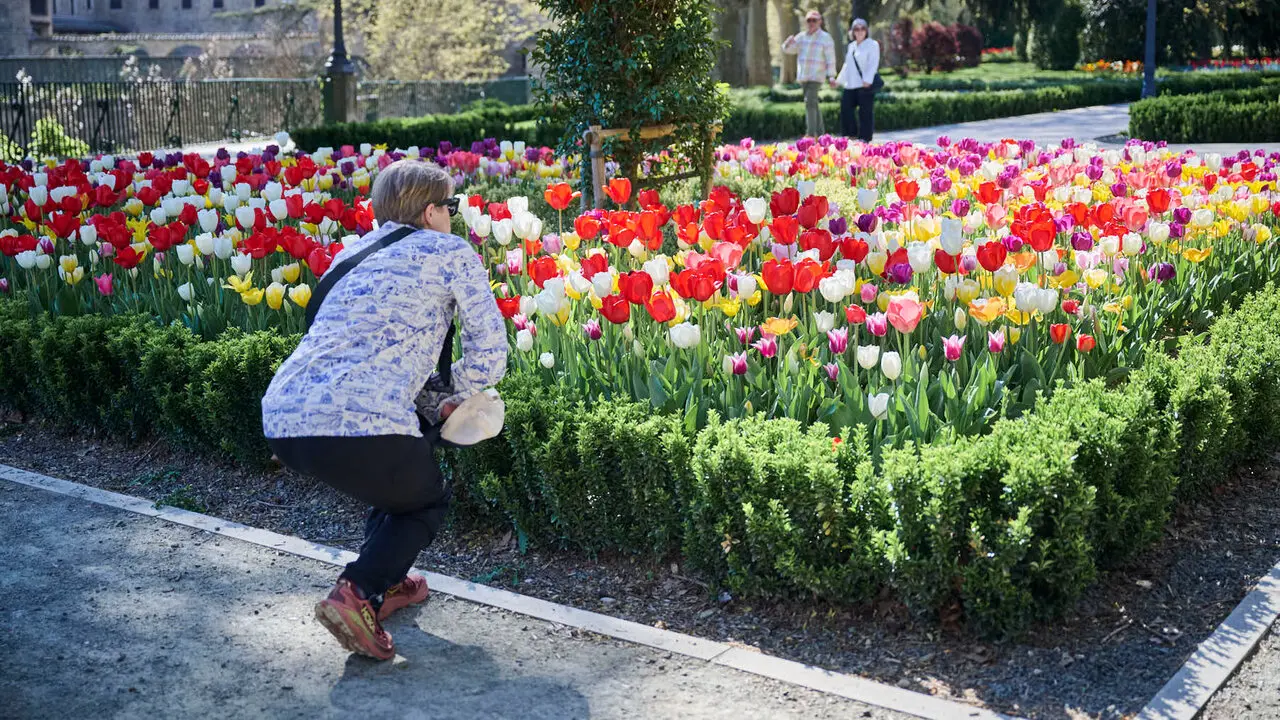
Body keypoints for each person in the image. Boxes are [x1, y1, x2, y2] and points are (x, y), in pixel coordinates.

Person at [261, 159, 507, 660]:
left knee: (398, 471)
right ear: (432, 211)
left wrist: (425, 396)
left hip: (283, 415)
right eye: (452, 207)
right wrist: (451, 393)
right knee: (424, 500)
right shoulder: (449, 250)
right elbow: (490, 357)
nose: (454, 218)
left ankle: (386, 587)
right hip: (362, 419)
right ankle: (355, 591)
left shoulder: (348, 255)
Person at [782, 9, 837, 138]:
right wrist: (787, 43)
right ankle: (822, 135)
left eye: (814, 20)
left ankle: (811, 134)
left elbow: (830, 58)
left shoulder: (825, 38)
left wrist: (832, 76)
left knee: (809, 102)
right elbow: (789, 50)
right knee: (813, 103)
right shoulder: (801, 37)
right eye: (809, 20)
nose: (811, 22)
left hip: (817, 76)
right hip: (804, 76)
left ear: (820, 22)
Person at [834, 17, 880, 142]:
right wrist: (838, 81)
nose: (859, 31)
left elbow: (873, 63)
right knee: (846, 109)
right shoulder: (851, 46)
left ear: (866, 30)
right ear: (852, 31)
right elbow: (847, 66)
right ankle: (850, 136)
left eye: (862, 28)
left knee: (865, 113)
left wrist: (868, 80)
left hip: (865, 84)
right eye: (856, 29)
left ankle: (865, 139)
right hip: (850, 85)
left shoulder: (872, 44)